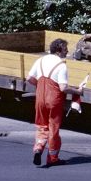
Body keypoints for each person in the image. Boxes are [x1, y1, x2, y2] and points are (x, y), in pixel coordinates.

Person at [27, 38, 72, 167]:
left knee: (42, 126)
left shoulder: (40, 60)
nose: (67, 52)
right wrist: (78, 91)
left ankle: (38, 148)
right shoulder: (61, 65)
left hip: (40, 98)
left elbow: (29, 78)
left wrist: (39, 85)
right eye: (65, 49)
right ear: (58, 50)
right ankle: (52, 158)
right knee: (53, 128)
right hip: (54, 100)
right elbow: (63, 88)